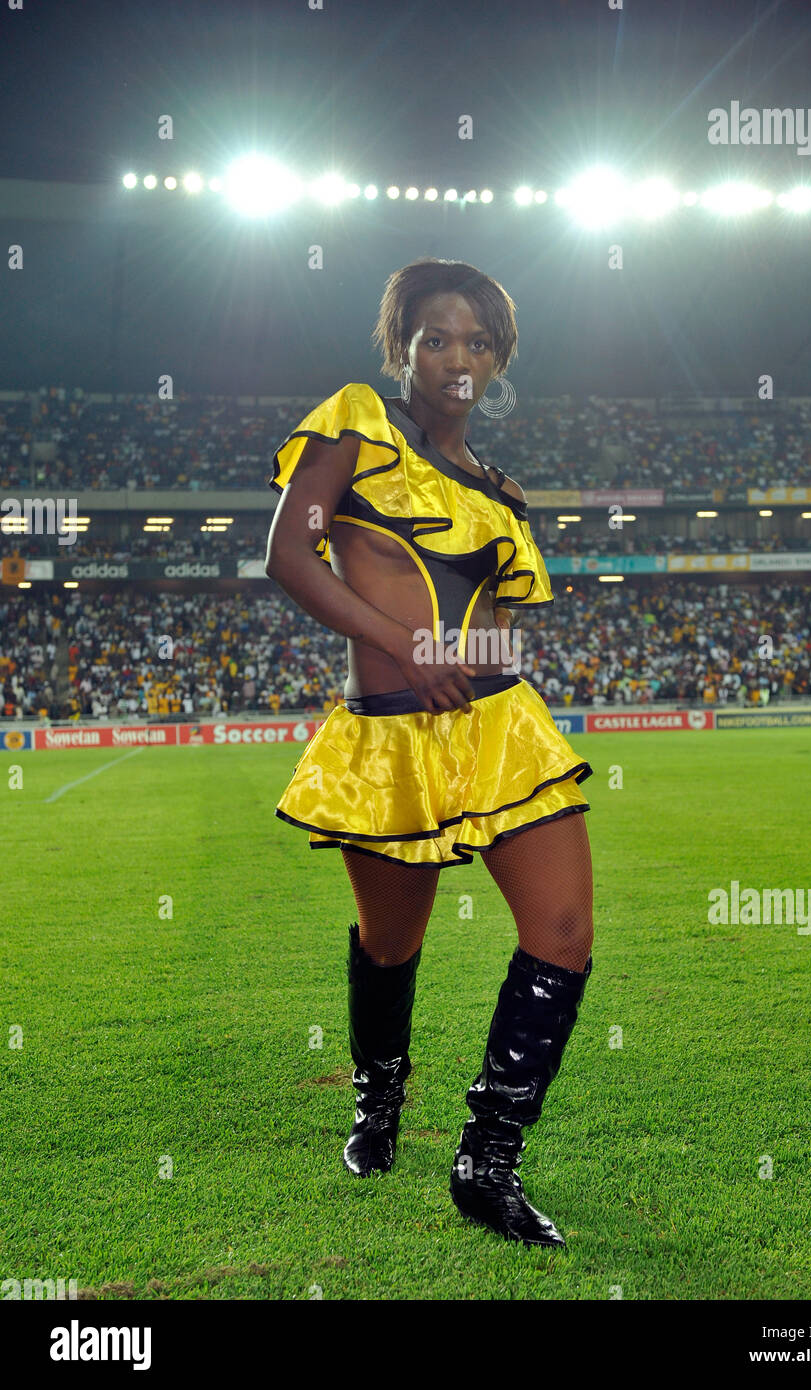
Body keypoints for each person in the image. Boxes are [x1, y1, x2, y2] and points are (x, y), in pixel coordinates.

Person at [265, 258, 595, 1250]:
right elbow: (288, 552)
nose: (456, 358)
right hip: (388, 739)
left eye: (478, 343)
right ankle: (378, 1102)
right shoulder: (356, 420)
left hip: (499, 725)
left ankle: (487, 1159)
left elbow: (497, 625)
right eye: (435, 339)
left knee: (564, 927)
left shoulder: (501, 493)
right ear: (400, 348)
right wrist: (412, 646)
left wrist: (476, 656)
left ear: (499, 361)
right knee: (391, 942)